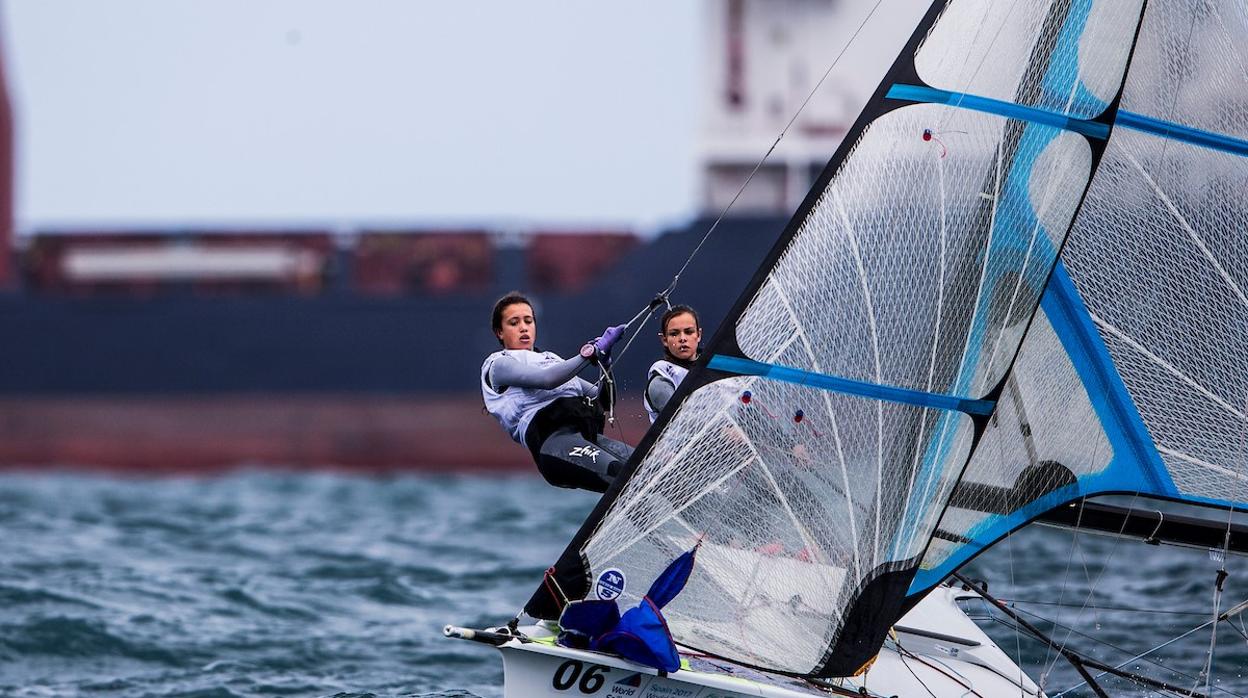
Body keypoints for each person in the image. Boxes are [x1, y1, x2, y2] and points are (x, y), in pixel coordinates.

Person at [481, 291, 634, 493]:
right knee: (620, 473)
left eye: (528, 321)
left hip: (588, 438)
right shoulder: (498, 364)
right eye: (514, 322)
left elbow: (606, 401)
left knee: (647, 467)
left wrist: (606, 363)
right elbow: (547, 380)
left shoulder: (551, 359)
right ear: (499, 332)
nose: (523, 328)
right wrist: (589, 353)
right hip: (555, 445)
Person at [643, 305, 702, 423]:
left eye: (689, 332)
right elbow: (683, 422)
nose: (682, 338)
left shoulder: (717, 364)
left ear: (698, 335)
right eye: (674, 334)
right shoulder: (661, 379)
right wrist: (723, 430)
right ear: (664, 340)